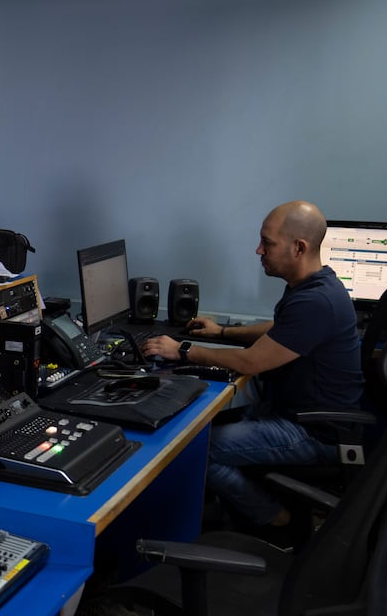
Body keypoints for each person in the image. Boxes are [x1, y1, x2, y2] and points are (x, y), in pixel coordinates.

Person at [141, 200, 363, 533]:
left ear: (299, 247)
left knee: (195, 446)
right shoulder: (317, 286)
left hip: (312, 433)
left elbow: (252, 362)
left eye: (268, 243)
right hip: (293, 413)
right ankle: (224, 508)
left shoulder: (316, 301)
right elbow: (281, 329)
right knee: (196, 425)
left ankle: (273, 517)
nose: (259, 250)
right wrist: (222, 333)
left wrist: (183, 350)